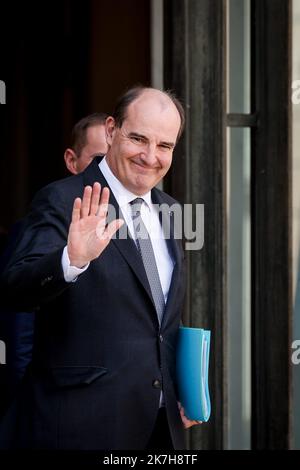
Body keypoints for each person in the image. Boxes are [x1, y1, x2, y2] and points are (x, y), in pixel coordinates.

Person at [0, 86, 200, 450]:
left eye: (165, 146)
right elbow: (14, 287)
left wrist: (178, 386)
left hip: (159, 426)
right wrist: (70, 260)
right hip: (81, 426)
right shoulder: (62, 199)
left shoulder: (171, 210)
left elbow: (160, 318)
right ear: (111, 131)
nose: (150, 156)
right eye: (138, 138)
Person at [0, 113, 109, 413]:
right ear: (71, 161)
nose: (107, 170)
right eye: (98, 158)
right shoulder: (48, 213)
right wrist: (24, 394)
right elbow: (21, 319)